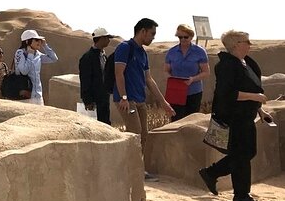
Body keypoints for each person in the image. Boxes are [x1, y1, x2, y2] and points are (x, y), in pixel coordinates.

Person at [199, 30, 273, 201]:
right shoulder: (226, 66)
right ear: (235, 44)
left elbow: (251, 89)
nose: (249, 44)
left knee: (246, 153)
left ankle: (211, 172)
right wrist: (255, 97)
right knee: (242, 156)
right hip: (233, 118)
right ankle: (241, 196)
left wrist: (260, 110)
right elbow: (228, 94)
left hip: (246, 116)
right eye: (245, 41)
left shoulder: (248, 63)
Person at [113, 18, 175, 181]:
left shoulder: (142, 52)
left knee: (144, 135)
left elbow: (149, 79)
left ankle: (137, 169)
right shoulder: (125, 48)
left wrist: (164, 103)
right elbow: (119, 73)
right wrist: (124, 97)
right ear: (143, 31)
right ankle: (129, 170)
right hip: (127, 100)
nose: (153, 38)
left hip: (140, 100)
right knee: (135, 133)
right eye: (152, 34)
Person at [164, 24, 210, 121]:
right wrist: (172, 79)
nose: (183, 39)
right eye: (180, 37)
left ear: (191, 37)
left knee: (191, 120)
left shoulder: (199, 52)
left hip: (193, 91)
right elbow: (166, 71)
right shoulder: (171, 52)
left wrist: (193, 79)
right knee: (176, 120)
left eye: (186, 37)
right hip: (176, 91)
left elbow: (206, 72)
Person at [79, 27, 115, 125]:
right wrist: (87, 100)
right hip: (94, 100)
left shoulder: (103, 55)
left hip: (104, 97)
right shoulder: (88, 57)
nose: (108, 40)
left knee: (105, 123)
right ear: (101, 38)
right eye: (107, 38)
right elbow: (85, 79)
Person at [14, 29, 58, 105]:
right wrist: (30, 55)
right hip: (26, 95)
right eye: (36, 40)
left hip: (38, 94)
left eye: (40, 40)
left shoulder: (37, 54)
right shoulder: (20, 53)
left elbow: (54, 59)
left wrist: (45, 46)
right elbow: (24, 71)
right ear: (27, 41)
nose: (39, 42)